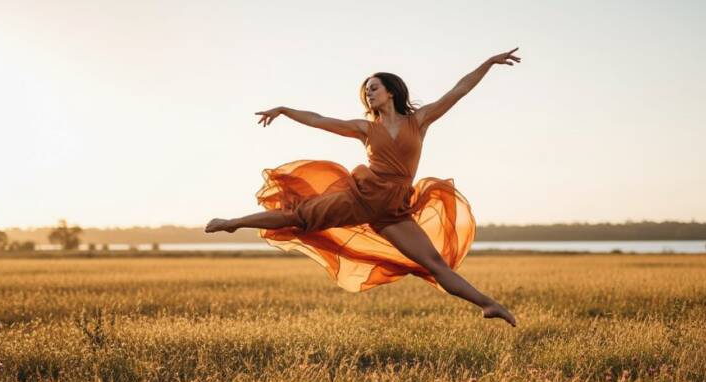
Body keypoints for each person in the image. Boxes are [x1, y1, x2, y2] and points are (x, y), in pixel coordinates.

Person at [206, 48, 521, 327]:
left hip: (393, 211)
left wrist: (489, 63)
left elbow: (459, 89)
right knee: (298, 217)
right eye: (366, 91)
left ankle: (487, 304)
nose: (369, 94)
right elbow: (318, 119)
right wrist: (285, 110)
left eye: (374, 88)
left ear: (391, 91)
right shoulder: (365, 129)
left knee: (433, 264)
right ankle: (233, 223)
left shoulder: (419, 121)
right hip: (361, 197)